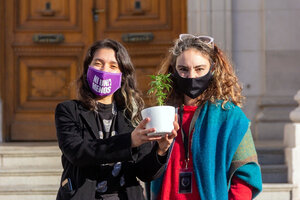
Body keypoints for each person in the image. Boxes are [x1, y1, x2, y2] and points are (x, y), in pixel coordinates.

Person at [55, 39, 177, 200]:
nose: (105, 70)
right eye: (98, 63)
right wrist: (129, 142)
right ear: (87, 70)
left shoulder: (132, 115)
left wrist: (161, 150)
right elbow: (77, 152)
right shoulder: (68, 110)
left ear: (122, 76)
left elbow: (145, 174)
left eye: (113, 66)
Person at [150, 34, 262, 200]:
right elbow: (148, 169)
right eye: (184, 69)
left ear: (213, 69)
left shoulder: (230, 117)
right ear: (173, 71)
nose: (192, 76)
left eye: (199, 69)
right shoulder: (163, 114)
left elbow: (245, 174)